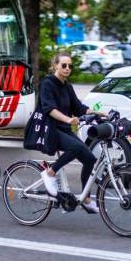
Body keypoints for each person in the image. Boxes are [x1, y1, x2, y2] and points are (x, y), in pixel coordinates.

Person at [39, 52, 106, 214]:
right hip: (50, 129)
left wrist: (97, 113)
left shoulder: (67, 86)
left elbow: (78, 107)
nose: (67, 68)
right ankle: (50, 172)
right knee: (75, 147)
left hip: (64, 129)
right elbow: (50, 109)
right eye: (64, 65)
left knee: (90, 159)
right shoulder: (47, 84)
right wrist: (68, 120)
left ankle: (86, 198)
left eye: (70, 66)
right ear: (55, 66)